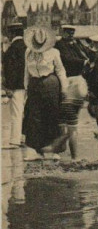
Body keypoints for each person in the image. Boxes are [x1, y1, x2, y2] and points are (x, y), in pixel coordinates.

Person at [22, 26, 69, 161]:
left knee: (52, 115)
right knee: (34, 117)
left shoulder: (54, 52)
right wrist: (26, 88)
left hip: (50, 83)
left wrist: (64, 88)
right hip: (34, 84)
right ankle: (36, 150)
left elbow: (60, 70)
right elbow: (26, 71)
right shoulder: (28, 52)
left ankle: (55, 150)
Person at [54, 24, 90, 160]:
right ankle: (65, 152)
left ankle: (66, 153)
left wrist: (86, 58)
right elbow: (67, 60)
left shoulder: (75, 44)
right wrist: (84, 62)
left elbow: (86, 54)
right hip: (66, 81)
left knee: (67, 118)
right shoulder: (59, 45)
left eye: (72, 32)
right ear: (62, 32)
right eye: (68, 32)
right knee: (65, 119)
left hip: (76, 81)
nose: (71, 34)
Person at [2, 23, 27, 152]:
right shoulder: (28, 47)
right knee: (25, 112)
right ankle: (24, 137)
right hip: (29, 85)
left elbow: (12, 70)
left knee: (16, 113)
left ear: (12, 33)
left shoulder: (12, 49)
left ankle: (15, 140)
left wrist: (9, 88)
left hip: (17, 86)